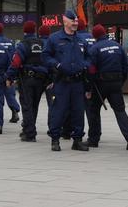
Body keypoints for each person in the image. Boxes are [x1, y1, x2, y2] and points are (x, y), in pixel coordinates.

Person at [42, 10, 90, 152]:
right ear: (65, 21)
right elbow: (45, 56)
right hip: (62, 82)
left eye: (76, 21)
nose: (75, 23)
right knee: (59, 111)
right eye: (73, 20)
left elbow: (89, 57)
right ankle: (55, 140)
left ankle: (77, 140)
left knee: (78, 111)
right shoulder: (54, 38)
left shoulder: (81, 40)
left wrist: (85, 65)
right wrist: (57, 65)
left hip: (77, 82)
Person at [85, 24, 128, 150]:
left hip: (100, 84)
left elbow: (91, 70)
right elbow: (125, 67)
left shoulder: (94, 49)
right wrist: (121, 82)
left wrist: (89, 87)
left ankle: (93, 139)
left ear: (95, 36)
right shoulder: (117, 46)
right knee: (120, 111)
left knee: (94, 111)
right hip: (116, 83)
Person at [7, 21, 48, 142]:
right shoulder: (43, 43)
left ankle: (30, 133)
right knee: (34, 105)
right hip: (41, 79)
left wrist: (9, 77)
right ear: (34, 31)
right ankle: (27, 129)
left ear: (24, 31)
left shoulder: (23, 44)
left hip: (27, 79)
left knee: (27, 105)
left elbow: (16, 62)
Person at [61, 18, 95, 139]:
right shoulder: (92, 37)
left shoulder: (76, 39)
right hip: (92, 75)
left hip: (77, 76)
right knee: (90, 109)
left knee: (72, 106)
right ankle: (93, 134)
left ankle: (67, 131)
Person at [0, 22, 21, 123]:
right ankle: (15, 112)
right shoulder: (9, 41)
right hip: (9, 71)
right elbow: (14, 57)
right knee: (10, 93)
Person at [38, 25, 54, 137]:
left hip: (36, 77)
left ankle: (29, 129)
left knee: (32, 104)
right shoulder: (53, 43)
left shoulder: (35, 43)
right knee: (52, 104)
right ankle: (52, 127)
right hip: (50, 78)